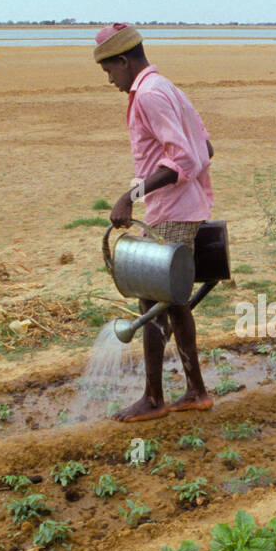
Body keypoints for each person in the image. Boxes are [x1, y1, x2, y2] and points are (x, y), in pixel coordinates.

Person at [94, 22, 214, 422]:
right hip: (180, 207)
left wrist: (130, 197)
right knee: (174, 300)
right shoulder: (166, 87)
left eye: (110, 70)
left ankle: (153, 399)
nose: (110, 79)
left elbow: (184, 159)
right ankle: (195, 391)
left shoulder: (148, 94)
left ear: (124, 61)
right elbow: (206, 147)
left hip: (173, 210)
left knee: (153, 301)